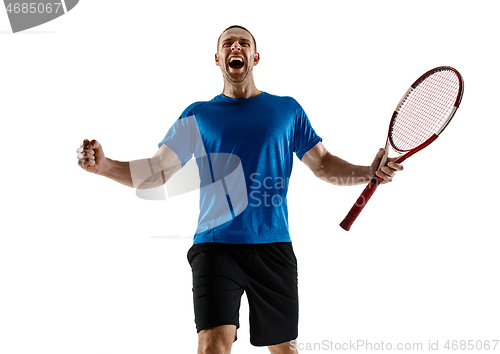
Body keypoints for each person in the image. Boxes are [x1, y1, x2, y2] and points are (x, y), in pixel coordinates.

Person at [76, 25, 403, 354]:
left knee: (284, 349)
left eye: (243, 43)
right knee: (212, 346)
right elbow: (158, 171)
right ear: (217, 59)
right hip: (215, 247)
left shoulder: (287, 110)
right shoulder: (199, 114)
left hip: (273, 246)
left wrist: (367, 172)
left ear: (254, 57)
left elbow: (322, 165)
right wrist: (104, 166)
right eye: (228, 43)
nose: (236, 47)